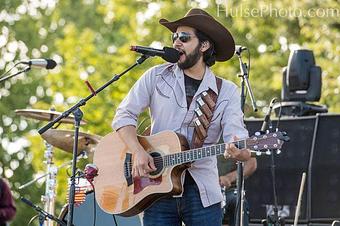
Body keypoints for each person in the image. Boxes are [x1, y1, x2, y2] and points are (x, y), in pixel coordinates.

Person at [112, 8, 252, 226]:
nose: (176, 42)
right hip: (155, 189)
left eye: (184, 38)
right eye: (174, 37)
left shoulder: (227, 91)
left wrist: (238, 149)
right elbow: (123, 115)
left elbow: (241, 145)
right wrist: (138, 152)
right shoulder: (156, 76)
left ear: (204, 46)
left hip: (202, 193)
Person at [218, 154, 257, 226]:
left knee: (238, 202)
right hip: (203, 189)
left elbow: (251, 163)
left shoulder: (235, 142)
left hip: (228, 190)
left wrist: (229, 177)